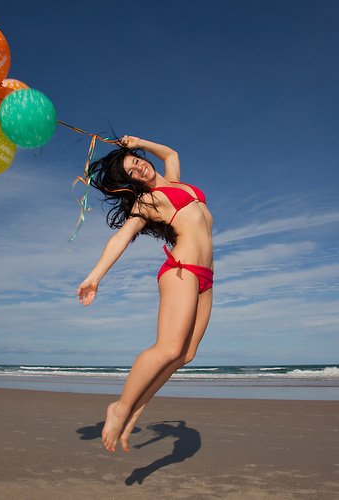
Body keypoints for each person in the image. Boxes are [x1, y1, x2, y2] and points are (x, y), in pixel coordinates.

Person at [77, 135, 214, 452]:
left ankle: (136, 408)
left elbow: (172, 151)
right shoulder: (147, 202)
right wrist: (94, 276)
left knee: (185, 355)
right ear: (131, 184)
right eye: (131, 172)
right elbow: (122, 238)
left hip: (207, 275)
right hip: (182, 271)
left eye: (137, 161)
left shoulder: (178, 183)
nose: (139, 169)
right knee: (168, 349)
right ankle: (120, 408)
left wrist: (136, 141)